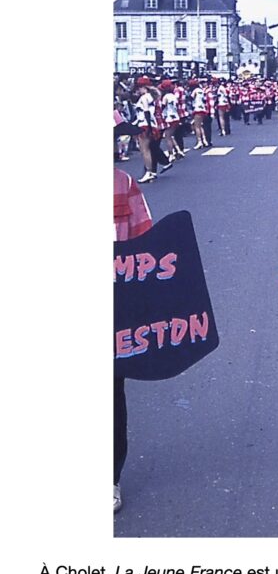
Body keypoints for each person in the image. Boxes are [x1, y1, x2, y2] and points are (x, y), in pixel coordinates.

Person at [113, 114, 153, 513]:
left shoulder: (124, 185)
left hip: (114, 307)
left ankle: (109, 475)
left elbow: (147, 245)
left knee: (110, 393)